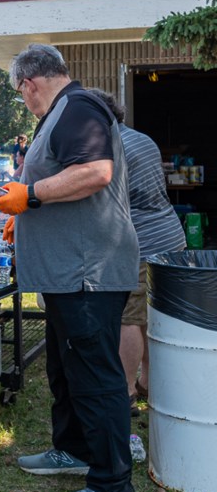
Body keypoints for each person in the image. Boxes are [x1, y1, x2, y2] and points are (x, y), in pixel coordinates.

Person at [0, 43, 140, 492]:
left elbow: (95, 172)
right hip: (66, 274)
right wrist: (21, 207)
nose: (24, 100)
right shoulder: (58, 113)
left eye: (21, 93)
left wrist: (28, 197)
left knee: (96, 375)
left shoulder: (76, 107)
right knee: (65, 368)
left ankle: (114, 485)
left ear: (29, 84)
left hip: (88, 271)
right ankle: (73, 449)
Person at [86, 88, 186, 415]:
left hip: (141, 241)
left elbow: (107, 201)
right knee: (151, 316)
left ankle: (127, 392)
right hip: (171, 236)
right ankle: (150, 385)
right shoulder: (142, 138)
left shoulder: (112, 147)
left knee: (128, 318)